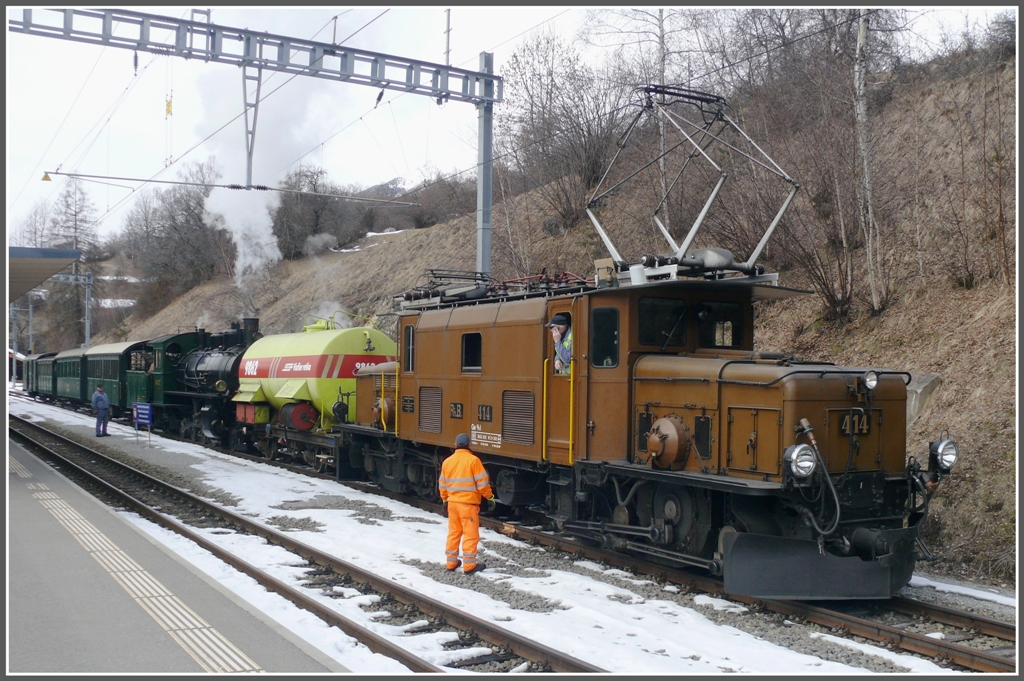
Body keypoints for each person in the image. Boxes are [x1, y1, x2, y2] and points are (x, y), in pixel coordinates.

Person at [438, 433, 496, 574]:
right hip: (467, 505)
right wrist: (490, 496)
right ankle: (469, 566)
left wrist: (445, 499)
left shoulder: (447, 461)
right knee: (470, 534)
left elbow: (442, 485)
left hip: (452, 504)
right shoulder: (473, 460)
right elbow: (482, 484)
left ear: (455, 444)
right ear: (469, 445)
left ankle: (451, 563)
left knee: (454, 533)